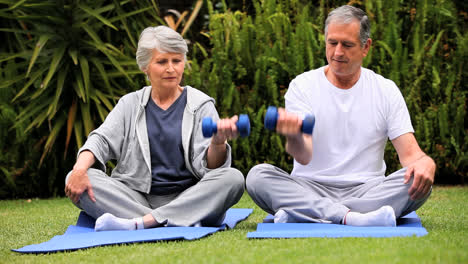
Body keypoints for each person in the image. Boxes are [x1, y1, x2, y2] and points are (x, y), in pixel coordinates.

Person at [246, 5, 436, 227]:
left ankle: (305, 212)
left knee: (418, 181)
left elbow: (411, 154)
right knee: (258, 176)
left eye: (347, 45)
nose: (337, 52)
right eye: (332, 43)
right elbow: (303, 156)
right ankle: (352, 217)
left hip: (367, 190)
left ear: (366, 47)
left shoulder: (386, 90)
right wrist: (294, 135)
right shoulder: (302, 86)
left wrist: (426, 164)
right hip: (310, 186)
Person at [65, 26, 245, 231]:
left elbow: (211, 170)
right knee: (76, 177)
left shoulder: (201, 105)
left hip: (188, 196)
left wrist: (218, 142)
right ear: (145, 66)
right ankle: (166, 219)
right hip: (135, 198)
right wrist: (79, 170)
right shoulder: (129, 104)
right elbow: (101, 140)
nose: (171, 68)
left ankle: (140, 223)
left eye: (176, 61)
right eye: (162, 61)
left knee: (232, 178)